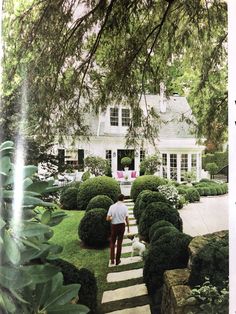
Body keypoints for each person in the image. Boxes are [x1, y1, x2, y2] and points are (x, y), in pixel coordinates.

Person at [106, 194, 130, 265]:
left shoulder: (112, 206)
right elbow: (126, 219)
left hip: (114, 226)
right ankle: (117, 260)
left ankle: (112, 260)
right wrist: (128, 227)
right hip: (122, 226)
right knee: (119, 243)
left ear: (117, 199)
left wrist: (112, 218)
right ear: (123, 199)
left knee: (112, 242)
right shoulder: (125, 207)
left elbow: (107, 218)